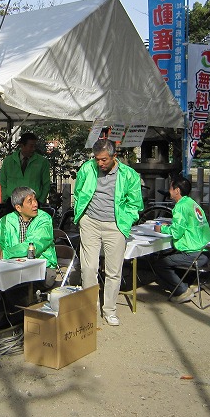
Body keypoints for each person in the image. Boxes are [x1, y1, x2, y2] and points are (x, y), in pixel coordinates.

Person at [73, 139, 143, 326]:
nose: (100, 163)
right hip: (90, 222)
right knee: (88, 268)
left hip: (115, 225)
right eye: (97, 159)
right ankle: (89, 308)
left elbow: (135, 203)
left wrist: (125, 221)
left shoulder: (129, 175)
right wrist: (82, 217)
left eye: (104, 159)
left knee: (113, 271)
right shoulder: (87, 169)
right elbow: (78, 193)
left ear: (114, 156)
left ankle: (110, 310)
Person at [0, 186, 57, 327]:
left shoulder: (44, 219)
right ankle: (9, 311)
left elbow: (33, 245)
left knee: (13, 282)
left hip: (44, 268)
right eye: (30, 201)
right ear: (18, 207)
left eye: (35, 200)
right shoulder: (6, 220)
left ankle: (16, 317)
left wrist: (6, 253)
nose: (35, 204)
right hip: (15, 266)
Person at [150, 174, 210, 303]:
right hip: (206, 249)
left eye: (170, 188)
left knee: (161, 264)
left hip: (194, 252)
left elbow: (176, 232)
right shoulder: (192, 203)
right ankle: (189, 283)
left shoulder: (180, 206)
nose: (169, 191)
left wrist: (161, 228)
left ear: (177, 190)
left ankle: (182, 291)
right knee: (172, 257)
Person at [0, 132, 51, 217]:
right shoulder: (9, 161)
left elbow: (46, 183)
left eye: (34, 146)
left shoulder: (42, 162)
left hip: (33, 202)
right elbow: (3, 181)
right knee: (12, 224)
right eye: (31, 146)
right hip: (12, 202)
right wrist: (5, 198)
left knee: (32, 225)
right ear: (22, 145)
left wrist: (40, 201)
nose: (33, 149)